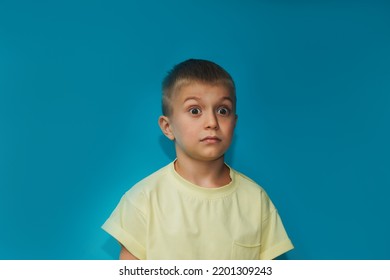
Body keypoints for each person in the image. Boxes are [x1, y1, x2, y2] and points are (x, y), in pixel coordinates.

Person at [102, 59, 294, 260]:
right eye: (195, 111)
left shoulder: (256, 200)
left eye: (222, 110)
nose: (212, 122)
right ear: (168, 127)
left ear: (234, 123)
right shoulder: (143, 200)